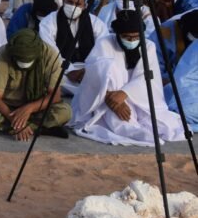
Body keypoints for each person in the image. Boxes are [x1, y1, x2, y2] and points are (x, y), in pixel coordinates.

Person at [70, 9, 185, 146]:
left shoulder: (148, 46)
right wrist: (111, 98)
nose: (132, 41)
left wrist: (125, 93)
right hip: (105, 99)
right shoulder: (104, 43)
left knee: (164, 124)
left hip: (138, 97)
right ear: (118, 34)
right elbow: (94, 77)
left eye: (136, 37)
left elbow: (147, 77)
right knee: (120, 121)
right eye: (127, 37)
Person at [0, 29, 71, 140]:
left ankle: (16, 128)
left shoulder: (50, 54)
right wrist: (16, 120)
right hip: (8, 108)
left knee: (64, 112)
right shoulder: (4, 53)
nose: (24, 63)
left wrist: (29, 108)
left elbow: (55, 95)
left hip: (37, 108)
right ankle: (36, 129)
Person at [38, 0, 107, 95]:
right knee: (48, 79)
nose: (73, 7)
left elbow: (103, 49)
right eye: (70, 2)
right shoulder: (49, 21)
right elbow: (50, 51)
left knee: (105, 77)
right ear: (63, 1)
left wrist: (87, 70)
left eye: (78, 4)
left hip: (87, 69)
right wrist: (68, 70)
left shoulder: (96, 23)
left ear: (85, 6)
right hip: (61, 70)